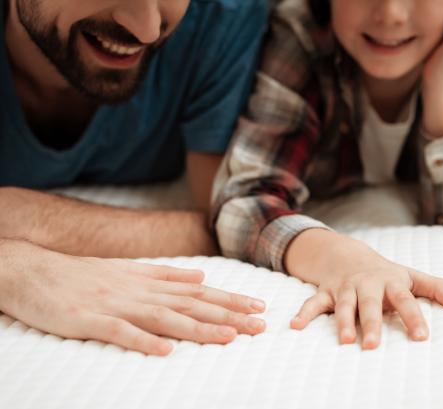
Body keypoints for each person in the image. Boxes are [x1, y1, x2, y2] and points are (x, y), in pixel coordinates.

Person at [212, 0, 443, 349]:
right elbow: (242, 204)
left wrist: (442, 84)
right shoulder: (302, 35)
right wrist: (343, 260)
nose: (391, 15)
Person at [0, 0, 269, 355]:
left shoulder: (224, 16)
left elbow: (226, 223)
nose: (147, 29)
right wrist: (16, 268)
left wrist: (27, 217)